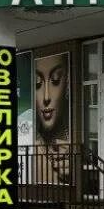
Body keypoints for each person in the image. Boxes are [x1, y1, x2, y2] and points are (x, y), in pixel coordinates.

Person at [34, 53, 70, 184]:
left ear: (67, 83)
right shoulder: (31, 143)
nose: (46, 97)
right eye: (37, 83)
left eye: (55, 80)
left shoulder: (71, 142)